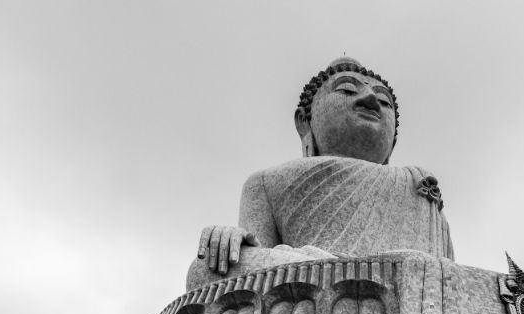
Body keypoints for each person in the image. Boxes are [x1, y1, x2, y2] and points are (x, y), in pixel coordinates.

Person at [192, 57, 453, 287]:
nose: (371, 99)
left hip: (401, 295)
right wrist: (233, 243)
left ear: (392, 144)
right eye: (348, 90)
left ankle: (340, 275)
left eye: (384, 101)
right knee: (205, 269)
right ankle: (341, 274)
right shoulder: (263, 182)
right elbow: (253, 260)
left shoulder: (416, 183)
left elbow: (448, 278)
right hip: (311, 291)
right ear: (305, 122)